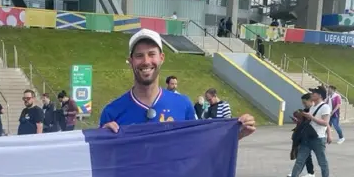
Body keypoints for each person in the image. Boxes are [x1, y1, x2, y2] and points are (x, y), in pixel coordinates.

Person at [100, 28, 255, 139]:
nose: (146, 61)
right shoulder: (112, 112)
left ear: (161, 58)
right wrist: (102, 140)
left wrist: (235, 134)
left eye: (151, 54)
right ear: (131, 61)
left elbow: (200, 145)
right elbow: (99, 166)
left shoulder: (183, 105)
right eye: (139, 56)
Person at [280, 85, 331, 177]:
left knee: (322, 160)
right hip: (307, 137)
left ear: (320, 95)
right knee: (300, 159)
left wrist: (311, 117)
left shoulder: (325, 107)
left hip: (318, 138)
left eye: (314, 93)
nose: (312, 94)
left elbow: (325, 123)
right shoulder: (313, 107)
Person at [287, 93, 316, 177]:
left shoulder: (313, 110)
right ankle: (309, 173)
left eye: (305, 102)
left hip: (309, 135)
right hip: (303, 134)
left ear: (311, 101)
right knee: (304, 154)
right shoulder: (306, 110)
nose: (303, 104)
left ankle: (301, 173)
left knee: (303, 154)